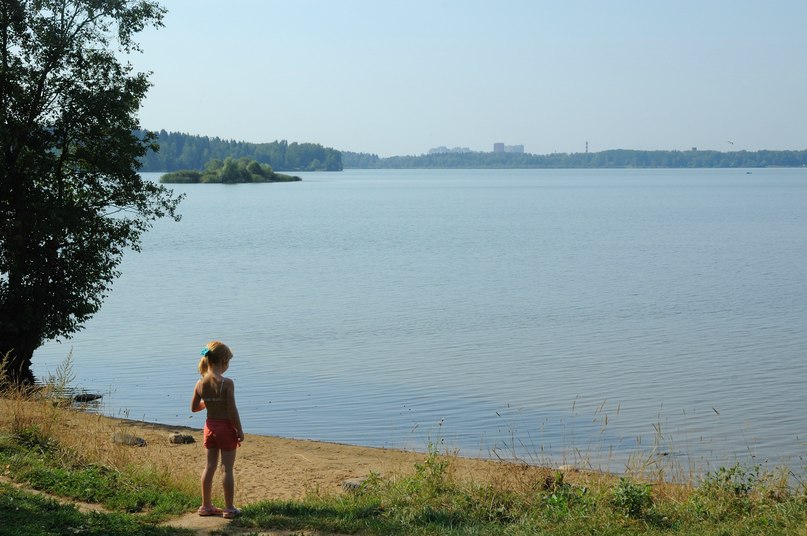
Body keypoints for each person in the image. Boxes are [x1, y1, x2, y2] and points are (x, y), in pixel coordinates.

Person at [191, 340, 245, 518]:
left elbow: (194, 407)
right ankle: (229, 508)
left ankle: (206, 506)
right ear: (223, 362)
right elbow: (232, 410)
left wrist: (208, 402)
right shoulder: (227, 383)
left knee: (209, 466)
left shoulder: (200, 383)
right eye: (228, 362)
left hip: (209, 427)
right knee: (227, 468)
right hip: (225, 427)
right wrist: (239, 430)